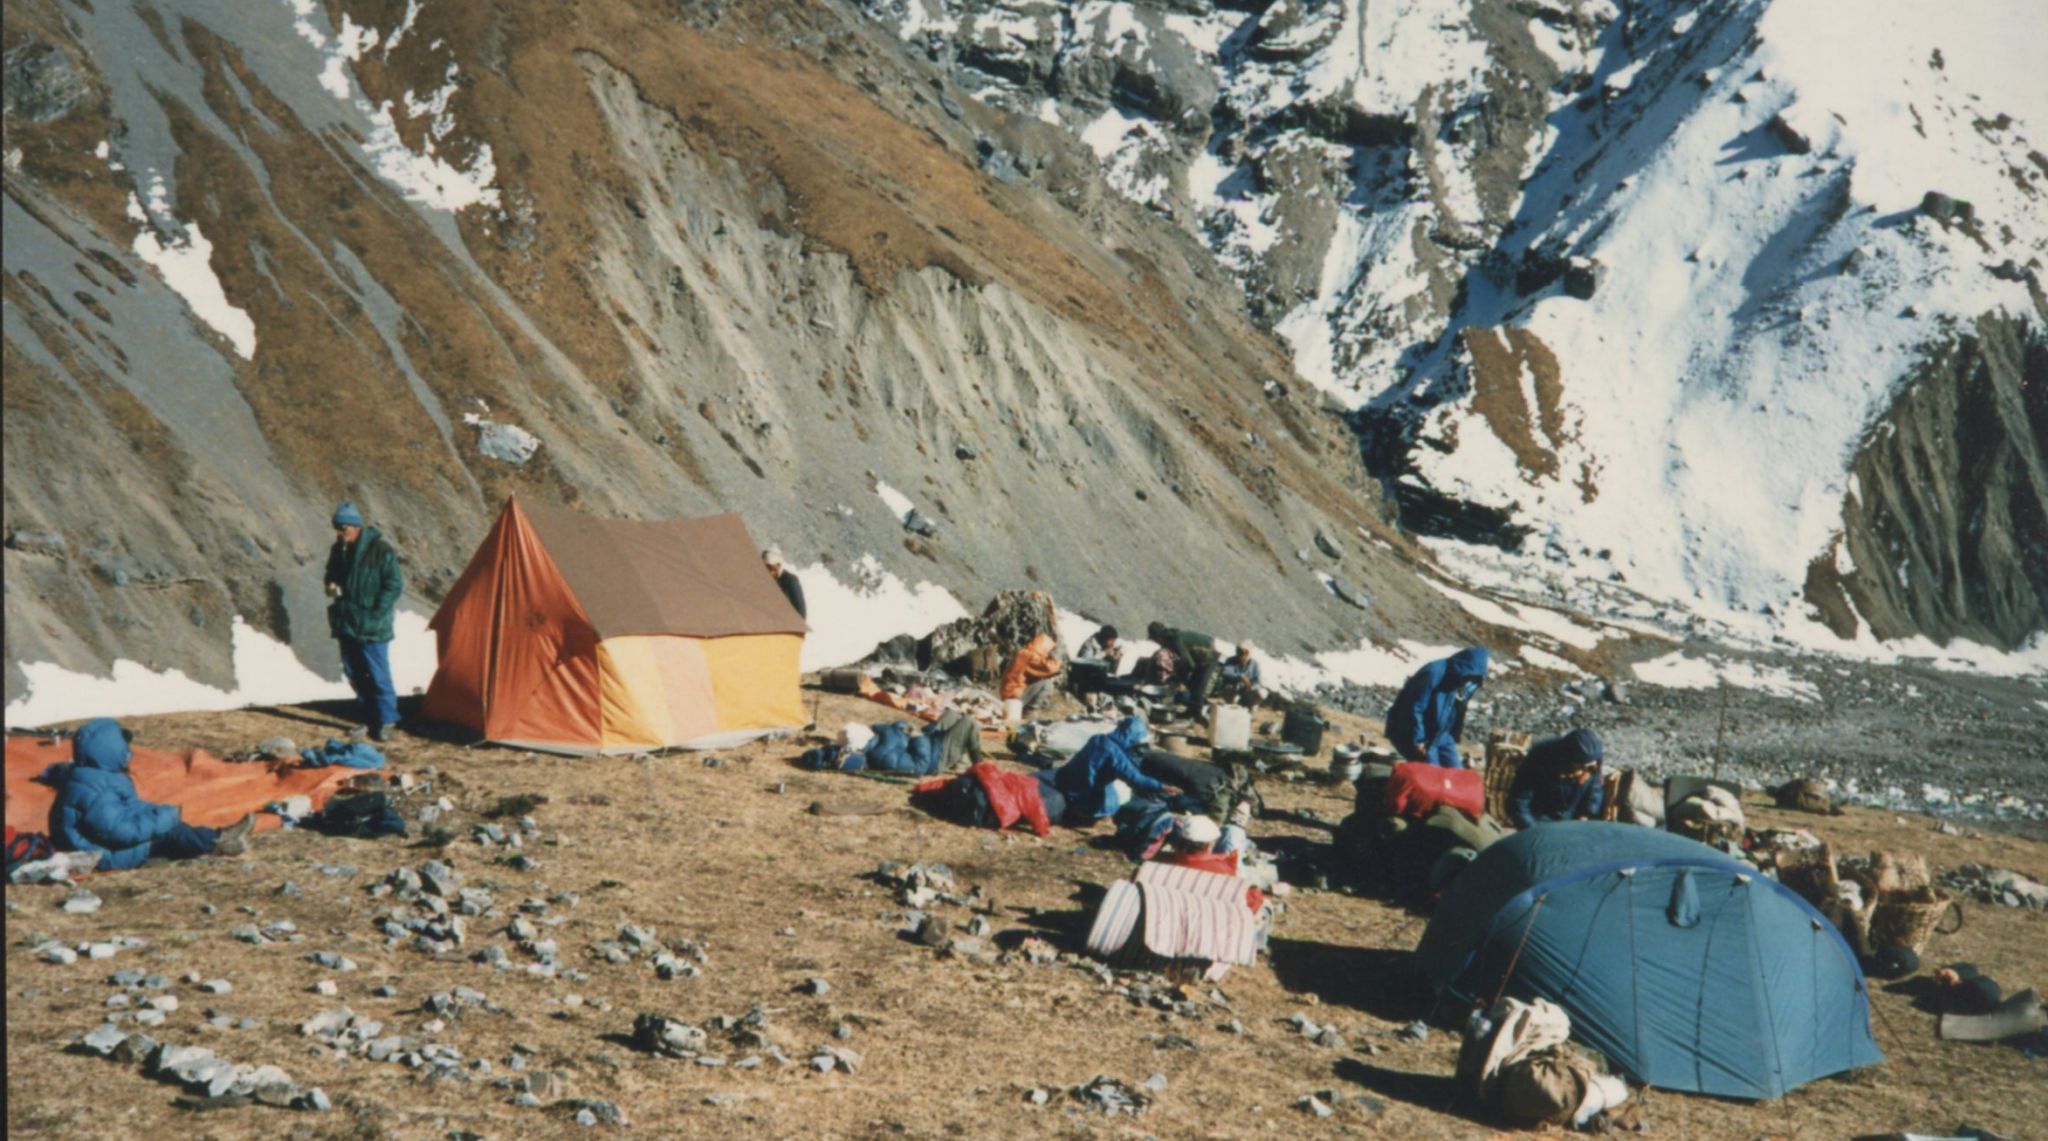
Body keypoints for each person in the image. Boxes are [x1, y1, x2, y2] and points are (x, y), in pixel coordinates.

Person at [44, 719, 255, 869]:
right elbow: (119, 831)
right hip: (107, 854)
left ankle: (218, 837)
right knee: (173, 831)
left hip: (105, 846)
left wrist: (156, 811)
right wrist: (164, 817)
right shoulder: (93, 786)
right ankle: (221, 843)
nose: (128, 751)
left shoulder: (93, 778)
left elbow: (124, 812)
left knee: (169, 824)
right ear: (108, 749)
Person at [324, 501, 404, 742]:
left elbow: (394, 584)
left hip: (371, 625)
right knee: (355, 673)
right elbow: (330, 574)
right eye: (337, 527)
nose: (339, 532)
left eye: (343, 527)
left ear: (356, 527)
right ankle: (366, 719)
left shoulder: (381, 551)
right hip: (347, 622)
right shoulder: (338, 550)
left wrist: (377, 612)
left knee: (378, 674)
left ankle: (386, 721)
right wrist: (331, 585)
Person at [1384, 646, 1490, 767]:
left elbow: (1457, 710)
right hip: (1420, 733)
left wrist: (1454, 735)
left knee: (1456, 774)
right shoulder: (1433, 672)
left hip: (1442, 735)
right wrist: (1419, 739)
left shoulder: (1464, 680)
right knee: (1434, 775)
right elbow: (1415, 707)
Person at [1051, 716, 1167, 823]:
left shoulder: (1097, 738)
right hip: (1084, 798)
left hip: (1066, 781)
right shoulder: (1117, 757)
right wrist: (1161, 786)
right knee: (1121, 795)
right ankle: (1085, 815)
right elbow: (1137, 779)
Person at [1505, 728, 1605, 829]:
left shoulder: (1592, 765)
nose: (1585, 772)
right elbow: (1519, 801)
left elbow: (1595, 790)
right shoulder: (1540, 759)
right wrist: (1532, 831)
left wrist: (1586, 814)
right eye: (1581, 767)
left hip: (1570, 821)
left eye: (1590, 768)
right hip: (1538, 820)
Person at [1147, 622, 1220, 718]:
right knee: (1194, 685)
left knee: (1198, 686)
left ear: (1158, 637)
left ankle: (1197, 715)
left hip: (1208, 657)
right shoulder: (1170, 636)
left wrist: (1179, 677)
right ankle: (1191, 711)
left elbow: (1189, 664)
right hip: (1199, 657)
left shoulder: (1173, 639)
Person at [1001, 633, 1064, 715]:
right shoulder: (1029, 656)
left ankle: (1027, 708)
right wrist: (1056, 658)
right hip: (1013, 695)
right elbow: (1050, 668)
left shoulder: (1024, 653)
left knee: (1043, 679)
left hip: (1011, 691)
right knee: (1046, 683)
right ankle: (1029, 710)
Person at [762, 546, 806, 620]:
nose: (770, 573)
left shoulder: (791, 580)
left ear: (779, 565)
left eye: (772, 569)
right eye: (767, 568)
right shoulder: (765, 580)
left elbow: (801, 612)